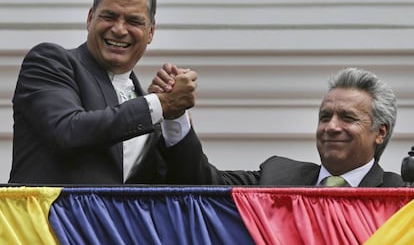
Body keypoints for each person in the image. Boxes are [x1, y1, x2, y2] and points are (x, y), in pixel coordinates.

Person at [9, 0, 200, 184]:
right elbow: (67, 131)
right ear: (90, 19)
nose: (119, 29)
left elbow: (192, 185)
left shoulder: (149, 112)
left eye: (133, 21)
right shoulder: (50, 61)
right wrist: (160, 104)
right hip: (49, 218)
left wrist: (174, 117)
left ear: (151, 33)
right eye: (109, 16)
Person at [152, 66, 404, 187]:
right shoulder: (277, 177)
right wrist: (175, 116)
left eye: (347, 118)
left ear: (380, 132)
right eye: (325, 117)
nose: (331, 127)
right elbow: (202, 184)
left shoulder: (401, 197)